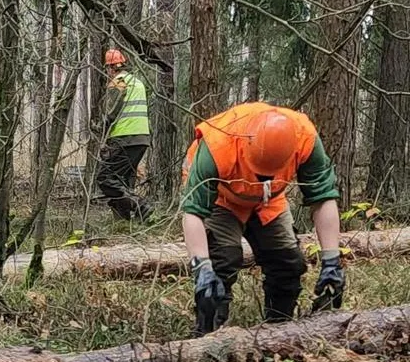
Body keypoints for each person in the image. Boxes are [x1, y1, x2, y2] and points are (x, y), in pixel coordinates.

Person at [180, 102, 345, 336]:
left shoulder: (305, 138)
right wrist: (202, 268)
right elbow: (194, 211)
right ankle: (209, 335)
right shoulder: (218, 144)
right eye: (260, 172)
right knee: (222, 261)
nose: (262, 176)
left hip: (269, 199)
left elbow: (323, 198)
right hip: (222, 198)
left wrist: (331, 260)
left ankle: (279, 330)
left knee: (287, 262)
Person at [96, 48, 153, 221]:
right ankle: (124, 221)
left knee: (105, 178)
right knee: (122, 180)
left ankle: (140, 205)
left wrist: (101, 133)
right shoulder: (137, 83)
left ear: (110, 68)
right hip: (142, 138)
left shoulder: (119, 82)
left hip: (125, 137)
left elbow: (111, 113)